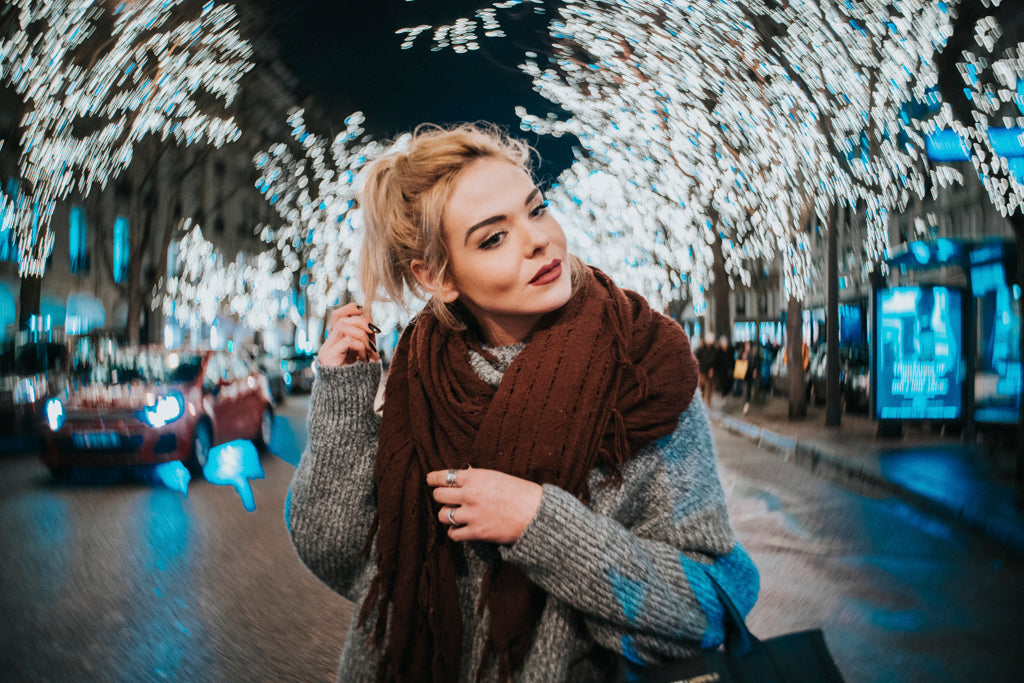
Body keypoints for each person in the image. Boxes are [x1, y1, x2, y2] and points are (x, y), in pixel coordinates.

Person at [286, 123, 758, 683]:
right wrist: (343, 397)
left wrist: (541, 525)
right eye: (493, 237)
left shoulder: (643, 373)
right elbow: (341, 555)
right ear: (437, 276)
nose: (537, 239)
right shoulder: (419, 381)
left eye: (536, 210)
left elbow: (708, 606)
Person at [695, 333, 718, 407]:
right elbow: (698, 359)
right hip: (703, 370)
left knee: (710, 386)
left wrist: (712, 368)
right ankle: (702, 401)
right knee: (702, 386)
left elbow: (715, 360)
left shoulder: (714, 350)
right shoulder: (701, 349)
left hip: (710, 371)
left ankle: (708, 402)